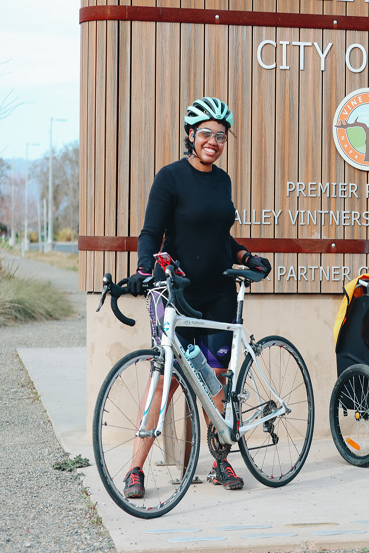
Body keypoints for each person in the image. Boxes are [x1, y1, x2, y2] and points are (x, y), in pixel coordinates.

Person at [124, 96, 270, 496]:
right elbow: (152, 233)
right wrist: (141, 270)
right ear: (190, 135)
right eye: (205, 133)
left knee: (216, 378)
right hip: (180, 294)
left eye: (220, 136)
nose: (213, 141)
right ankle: (135, 469)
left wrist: (245, 255)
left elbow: (218, 235)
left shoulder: (221, 180)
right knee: (165, 380)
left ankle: (221, 462)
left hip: (220, 293)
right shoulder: (170, 178)